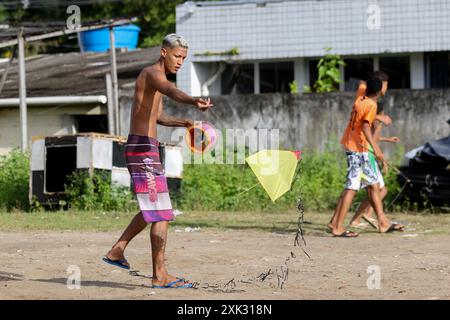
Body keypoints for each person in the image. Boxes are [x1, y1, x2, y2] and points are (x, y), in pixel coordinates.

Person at [102, 34, 213, 288]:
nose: (180, 62)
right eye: (177, 56)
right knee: (162, 212)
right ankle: (159, 275)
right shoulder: (153, 74)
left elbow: (158, 115)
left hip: (145, 148)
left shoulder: (157, 79)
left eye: (184, 58)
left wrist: (183, 122)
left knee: (152, 208)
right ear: (164, 52)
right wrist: (194, 100)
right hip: (142, 149)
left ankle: (117, 250)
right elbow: (172, 91)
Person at [328, 76, 404, 237]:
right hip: (356, 149)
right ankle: (337, 226)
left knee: (374, 185)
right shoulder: (371, 105)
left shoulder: (361, 99)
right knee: (352, 187)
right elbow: (365, 127)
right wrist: (376, 148)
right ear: (379, 90)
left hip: (359, 148)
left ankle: (383, 222)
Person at [349, 71, 400, 229]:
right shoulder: (370, 104)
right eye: (385, 84)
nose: (386, 87)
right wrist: (379, 153)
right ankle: (362, 218)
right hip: (364, 151)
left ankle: (371, 218)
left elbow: (372, 136)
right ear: (380, 84)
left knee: (374, 188)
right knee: (373, 188)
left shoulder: (372, 103)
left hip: (366, 150)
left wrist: (386, 140)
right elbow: (367, 131)